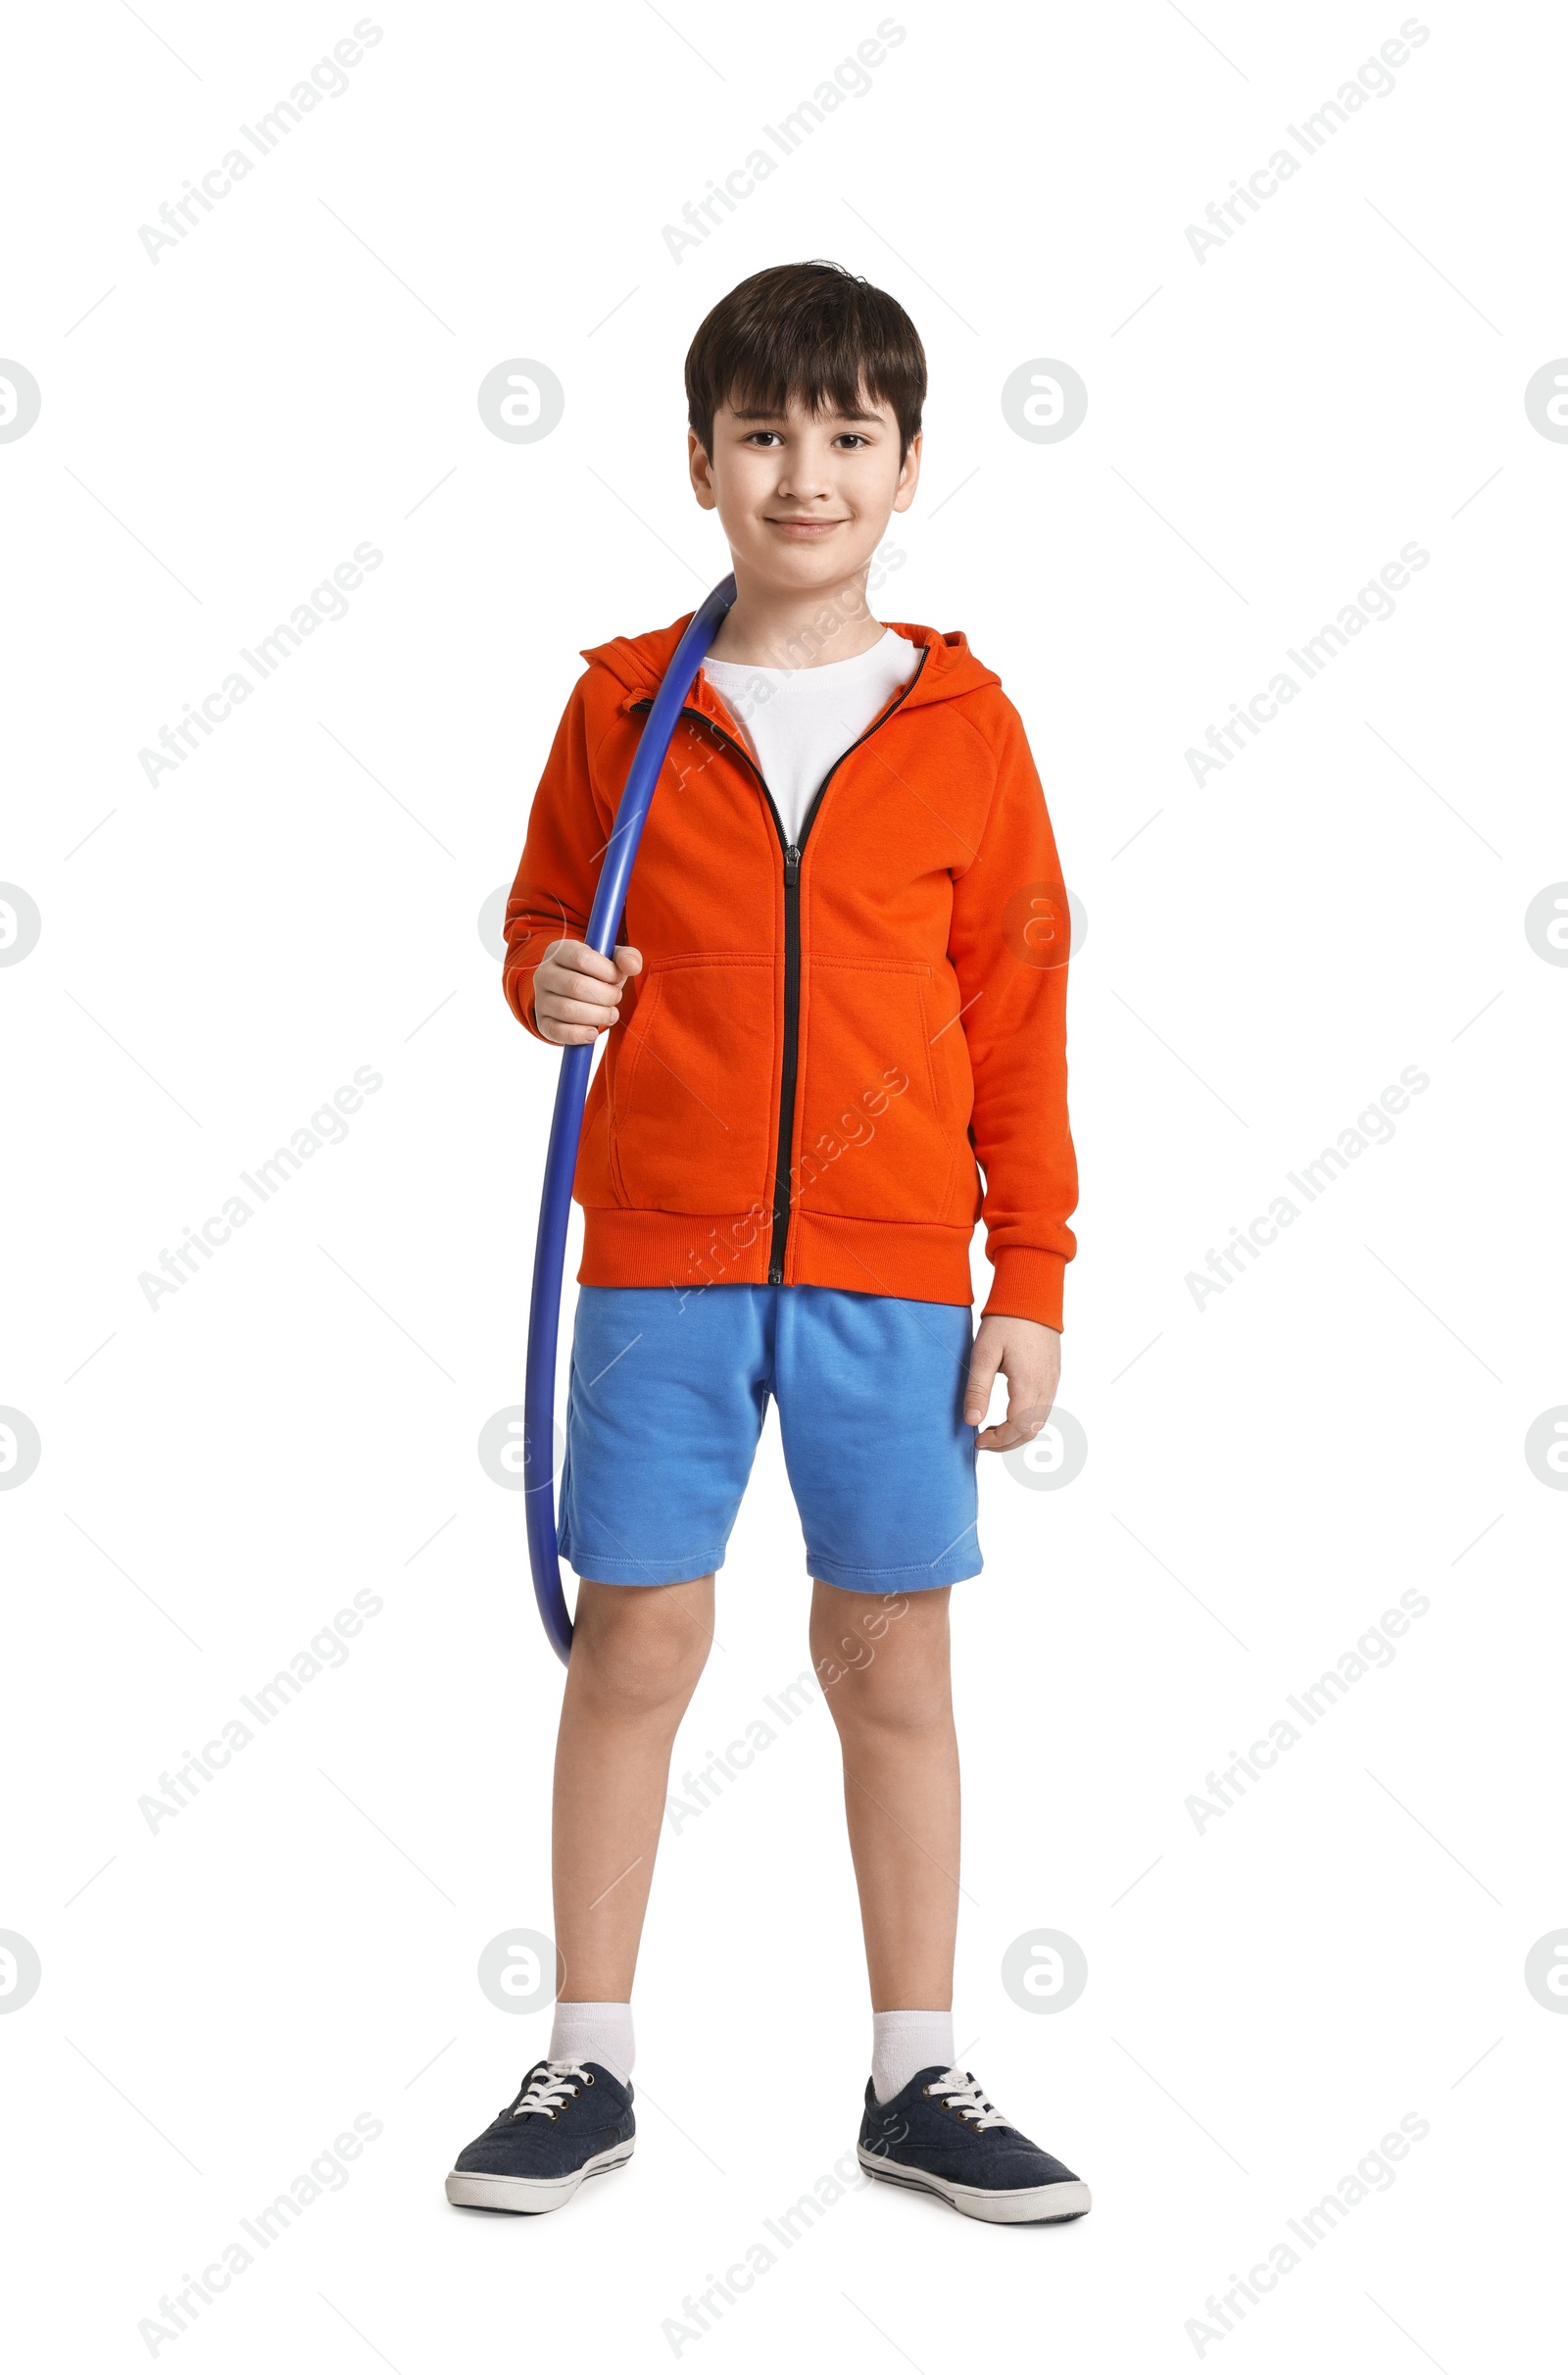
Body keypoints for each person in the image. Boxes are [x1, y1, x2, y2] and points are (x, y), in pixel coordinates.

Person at [446, 260, 1086, 2225]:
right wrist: (541, 981)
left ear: (905, 469)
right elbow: (547, 931)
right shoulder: (624, 705)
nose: (800, 471)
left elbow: (1017, 1008)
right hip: (656, 1254)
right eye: (761, 434)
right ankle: (590, 2059)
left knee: (891, 1657)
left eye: (843, 435)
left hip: (896, 1276)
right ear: (700, 462)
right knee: (636, 1637)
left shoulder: (965, 727)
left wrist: (1031, 1273)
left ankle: (917, 2079)